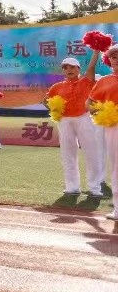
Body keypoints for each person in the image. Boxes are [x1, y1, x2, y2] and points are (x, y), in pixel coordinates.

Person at [46, 53, 104, 197]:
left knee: (91, 152)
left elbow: (91, 68)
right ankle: (72, 187)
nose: (69, 70)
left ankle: (94, 187)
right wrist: (52, 107)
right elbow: (47, 101)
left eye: (72, 67)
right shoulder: (56, 87)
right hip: (64, 121)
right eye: (65, 67)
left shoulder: (86, 81)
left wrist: (96, 52)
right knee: (68, 154)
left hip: (83, 118)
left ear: (78, 69)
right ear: (63, 71)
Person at [88, 43, 118, 219]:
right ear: (109, 60)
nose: (117, 59)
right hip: (113, 127)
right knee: (117, 167)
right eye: (114, 56)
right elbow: (89, 104)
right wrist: (100, 111)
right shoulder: (104, 81)